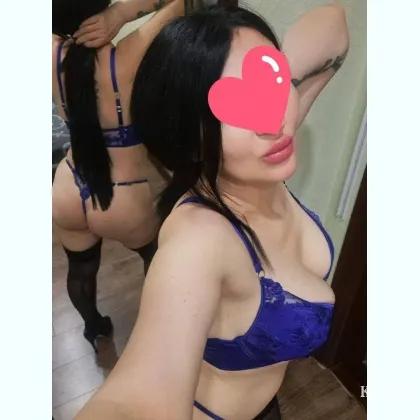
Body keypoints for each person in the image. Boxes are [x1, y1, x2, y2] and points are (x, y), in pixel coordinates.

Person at [75, 4, 349, 419]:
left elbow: (334, 22)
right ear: (188, 135)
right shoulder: (199, 240)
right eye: (235, 108)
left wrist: (264, 85)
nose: (273, 121)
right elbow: (134, 401)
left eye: (272, 85)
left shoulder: (261, 153)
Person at [52, 0, 184, 352]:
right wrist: (122, 13)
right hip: (122, 194)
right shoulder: (128, 54)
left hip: (66, 185)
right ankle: (158, 334)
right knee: (156, 260)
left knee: (81, 268)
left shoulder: (48, 52)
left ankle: (93, 327)